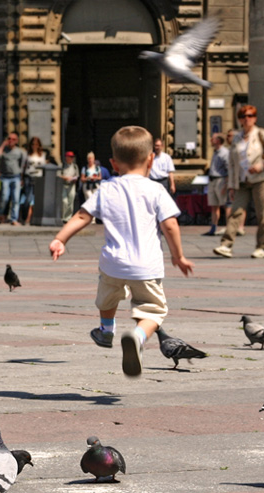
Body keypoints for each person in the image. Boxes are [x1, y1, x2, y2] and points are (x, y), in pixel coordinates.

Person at [49, 126, 193, 376]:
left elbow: (83, 215)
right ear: (151, 159)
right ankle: (137, 337)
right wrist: (178, 256)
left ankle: (106, 330)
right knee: (152, 309)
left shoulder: (106, 189)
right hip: (146, 266)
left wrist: (60, 239)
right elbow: (170, 224)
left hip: (113, 264)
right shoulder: (156, 190)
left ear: (114, 164)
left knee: (107, 299)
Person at [213, 105, 264, 259]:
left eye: (250, 116)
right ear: (239, 119)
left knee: (262, 215)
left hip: (261, 180)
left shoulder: (261, 134)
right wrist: (231, 184)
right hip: (241, 182)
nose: (247, 119)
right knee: (235, 213)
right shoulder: (236, 138)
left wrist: (263, 165)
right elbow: (231, 163)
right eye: (243, 116)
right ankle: (226, 245)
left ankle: (261, 247)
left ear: (255, 118)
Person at [0, 133, 26, 225]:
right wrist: (3, 144)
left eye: (13, 139)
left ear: (16, 141)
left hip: (16, 177)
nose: (11, 140)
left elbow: (22, 165)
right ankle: (1, 215)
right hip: (5, 177)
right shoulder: (4, 150)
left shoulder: (20, 152)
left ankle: (14, 219)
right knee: (4, 197)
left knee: (15, 199)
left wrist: (21, 178)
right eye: (9, 139)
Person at [204, 133, 230, 236]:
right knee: (214, 205)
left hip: (221, 180)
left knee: (225, 205)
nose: (210, 140)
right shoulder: (215, 152)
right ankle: (213, 227)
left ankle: (230, 228)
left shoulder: (225, 153)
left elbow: (229, 170)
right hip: (212, 180)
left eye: (213, 138)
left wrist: (226, 185)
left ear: (218, 141)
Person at [23, 136, 49, 225]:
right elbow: (24, 167)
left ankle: (30, 218)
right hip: (28, 177)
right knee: (28, 198)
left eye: (36, 144)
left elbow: (45, 167)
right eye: (33, 144)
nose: (34, 146)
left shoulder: (42, 155)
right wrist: (22, 178)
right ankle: (26, 216)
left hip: (38, 177)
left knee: (36, 198)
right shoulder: (27, 154)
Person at [226, 129, 246, 236]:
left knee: (240, 206)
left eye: (229, 135)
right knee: (232, 205)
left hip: (241, 181)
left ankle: (240, 227)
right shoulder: (230, 149)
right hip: (233, 181)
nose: (227, 138)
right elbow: (230, 168)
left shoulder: (240, 149)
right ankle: (232, 227)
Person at [59, 151, 80, 224]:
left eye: (72, 157)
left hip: (72, 185)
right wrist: (66, 178)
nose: (71, 158)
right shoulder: (62, 165)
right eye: (69, 157)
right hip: (64, 185)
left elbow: (77, 175)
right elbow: (59, 175)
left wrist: (74, 179)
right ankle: (63, 217)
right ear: (66, 157)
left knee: (71, 201)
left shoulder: (75, 166)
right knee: (64, 201)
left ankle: (68, 217)